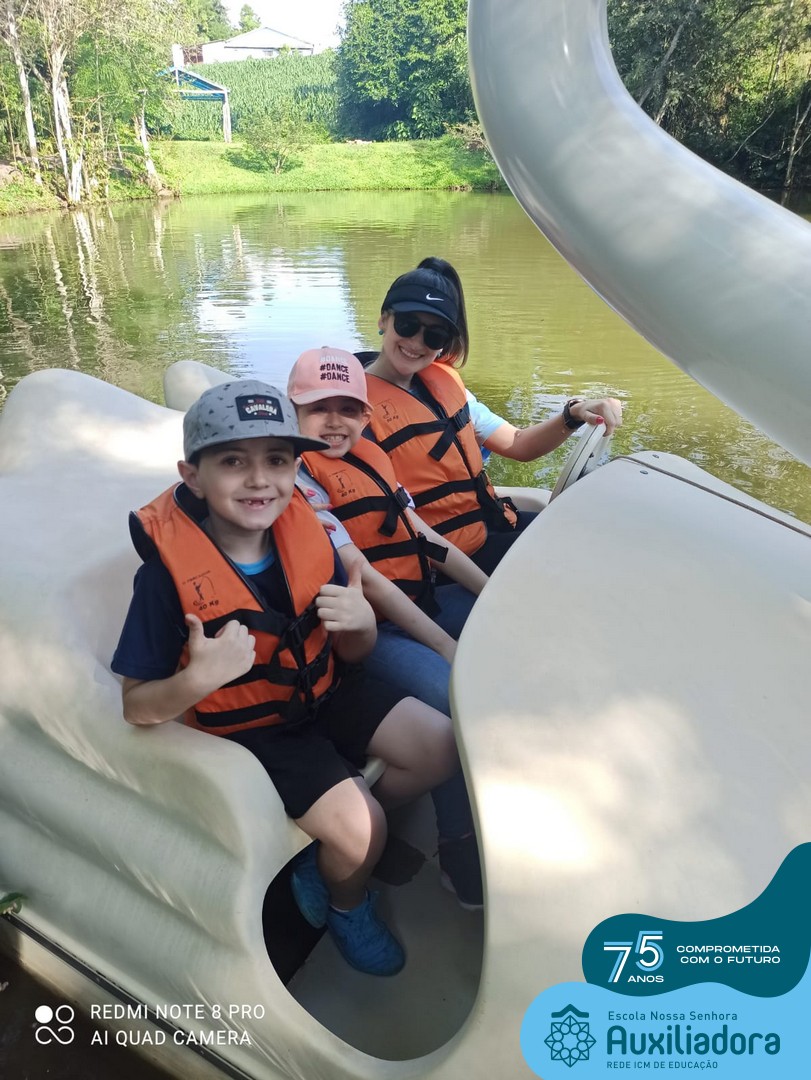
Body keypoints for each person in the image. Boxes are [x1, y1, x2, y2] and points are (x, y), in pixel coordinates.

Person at [111, 379, 467, 977]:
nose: (260, 480)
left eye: (277, 460)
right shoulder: (163, 581)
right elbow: (136, 707)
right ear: (192, 476)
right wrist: (198, 679)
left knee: (442, 746)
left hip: (329, 689)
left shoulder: (307, 532)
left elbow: (353, 651)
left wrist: (361, 626)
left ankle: (332, 850)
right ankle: (347, 900)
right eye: (233, 461)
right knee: (363, 828)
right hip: (262, 729)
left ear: (296, 469)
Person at [287, 347, 488, 908]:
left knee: (509, 641)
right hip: (366, 630)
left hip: (416, 598)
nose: (335, 422)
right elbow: (368, 580)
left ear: (366, 414)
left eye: (348, 408)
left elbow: (424, 535)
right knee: (453, 693)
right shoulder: (297, 481)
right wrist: (446, 645)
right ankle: (457, 844)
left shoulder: (370, 455)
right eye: (318, 408)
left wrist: (492, 596)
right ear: (292, 412)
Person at [362, 256, 623, 574]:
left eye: (434, 335)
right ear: (384, 320)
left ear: (444, 343)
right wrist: (485, 586)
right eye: (407, 325)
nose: (417, 342)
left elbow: (518, 443)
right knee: (576, 558)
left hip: (487, 527)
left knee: (595, 537)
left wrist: (574, 414)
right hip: (438, 562)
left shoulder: (446, 387)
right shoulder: (350, 409)